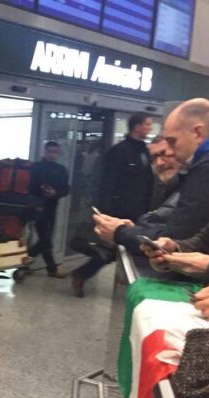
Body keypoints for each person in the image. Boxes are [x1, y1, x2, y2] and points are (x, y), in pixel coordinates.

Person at [94, 99, 209, 258]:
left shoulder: (207, 168)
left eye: (172, 141)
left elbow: (178, 235)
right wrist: (133, 230)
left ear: (198, 133)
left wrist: (120, 233)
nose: (170, 152)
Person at [71, 112, 154, 296]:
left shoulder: (144, 152)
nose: (150, 128)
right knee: (109, 251)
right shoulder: (120, 151)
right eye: (147, 124)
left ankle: (84, 275)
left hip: (137, 212)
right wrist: (105, 212)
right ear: (136, 126)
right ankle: (81, 274)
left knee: (124, 250)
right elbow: (107, 182)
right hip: (118, 211)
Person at [25, 141, 69, 278]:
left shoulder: (61, 169)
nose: (52, 155)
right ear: (44, 151)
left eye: (55, 152)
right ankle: (51, 268)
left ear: (58, 153)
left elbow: (65, 189)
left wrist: (55, 193)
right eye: (49, 151)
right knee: (45, 239)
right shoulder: (35, 168)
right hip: (37, 207)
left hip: (51, 207)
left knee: (46, 239)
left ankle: (26, 260)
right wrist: (41, 190)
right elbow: (29, 186)